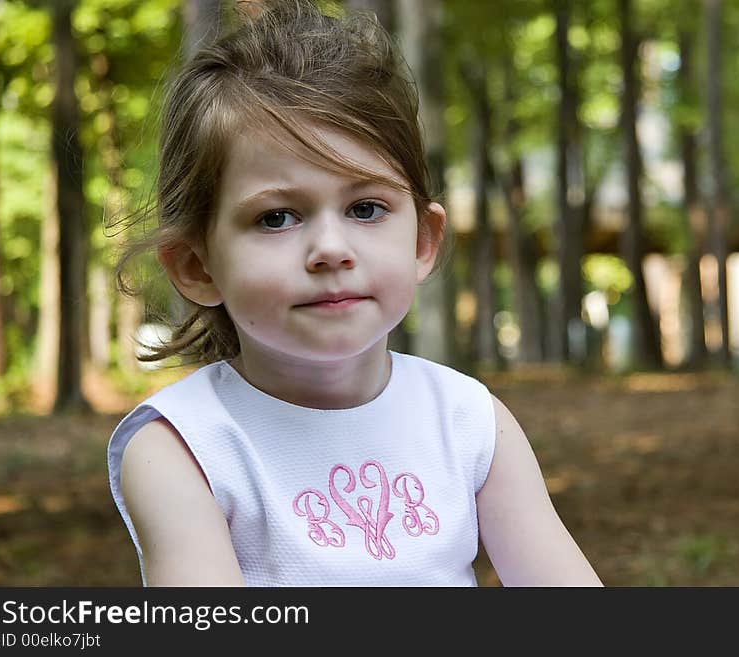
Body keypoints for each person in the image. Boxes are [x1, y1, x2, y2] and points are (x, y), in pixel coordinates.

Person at [107, 0, 602, 587]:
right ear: (197, 266)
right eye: (277, 218)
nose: (330, 248)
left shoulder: (468, 420)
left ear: (422, 241)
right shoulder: (184, 446)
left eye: (365, 208)